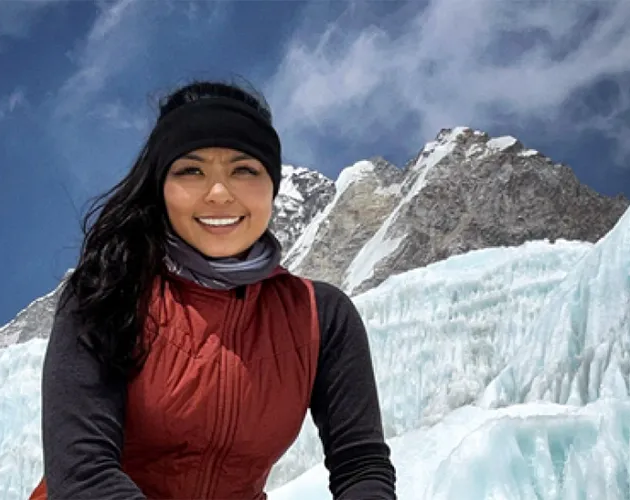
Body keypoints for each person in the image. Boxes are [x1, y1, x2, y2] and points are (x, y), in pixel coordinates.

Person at [27, 80, 396, 499]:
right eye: (191, 170)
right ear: (161, 188)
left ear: (271, 187)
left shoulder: (321, 316)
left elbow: (360, 464)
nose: (219, 193)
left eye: (244, 170)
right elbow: (84, 476)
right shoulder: (107, 291)